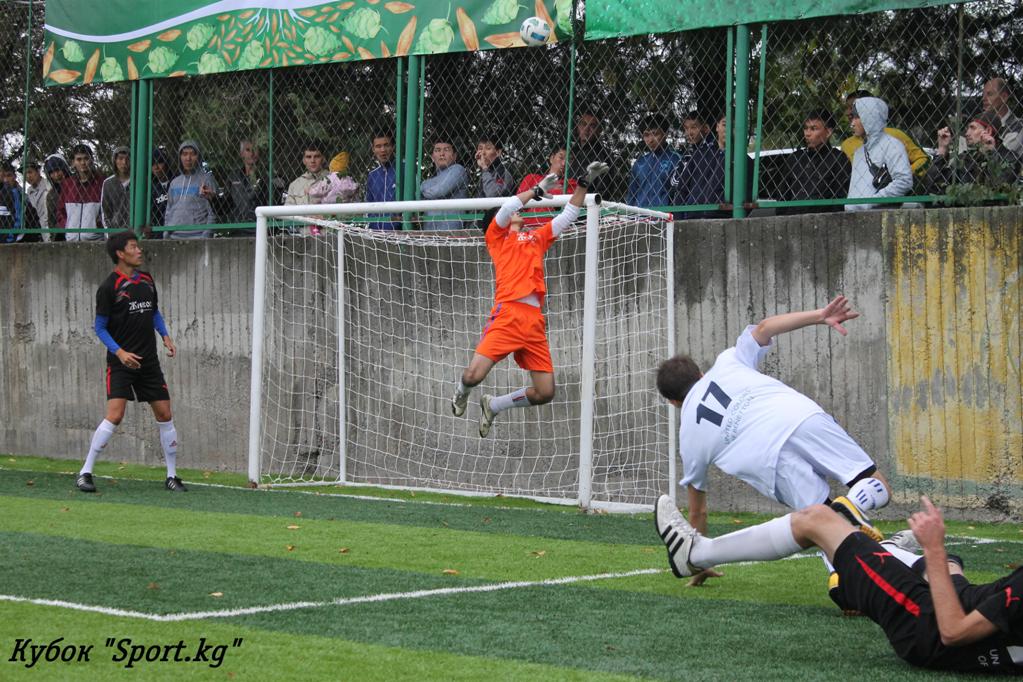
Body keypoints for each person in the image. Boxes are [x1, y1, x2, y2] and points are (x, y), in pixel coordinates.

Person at [654, 495, 1023, 674]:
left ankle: (694, 554)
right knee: (945, 565)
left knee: (817, 520)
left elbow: (953, 632)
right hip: (965, 604)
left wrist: (936, 547)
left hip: (923, 625)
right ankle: (886, 556)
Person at [655, 296, 892, 564]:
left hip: (771, 462)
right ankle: (856, 506)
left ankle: (846, 567)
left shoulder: (688, 436)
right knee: (878, 486)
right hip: (801, 418)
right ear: (700, 374)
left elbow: (698, 512)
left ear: (673, 402)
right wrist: (820, 315)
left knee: (826, 525)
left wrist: (697, 563)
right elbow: (765, 327)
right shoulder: (726, 362)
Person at [451, 161, 610, 438]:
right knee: (472, 377)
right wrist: (535, 190)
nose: (517, 213)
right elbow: (506, 209)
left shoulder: (535, 238)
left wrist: (584, 182)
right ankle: (460, 394)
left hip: (534, 322)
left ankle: (495, 405)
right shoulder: (497, 239)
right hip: (508, 315)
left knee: (546, 391)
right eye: (514, 213)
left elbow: (569, 214)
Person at [76, 230, 185, 494]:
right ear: (120, 254)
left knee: (165, 414)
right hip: (121, 364)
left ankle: (172, 476)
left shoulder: (146, 279)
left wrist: (165, 335)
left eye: (138, 246)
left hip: (148, 363)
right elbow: (99, 327)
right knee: (115, 415)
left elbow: (153, 311)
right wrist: (120, 352)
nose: (139, 251)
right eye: (133, 247)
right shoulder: (108, 287)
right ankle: (85, 472)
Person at [925, 110, 1021, 194]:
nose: (966, 133)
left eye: (972, 128)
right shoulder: (965, 160)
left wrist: (990, 154)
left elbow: (1000, 186)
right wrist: (942, 150)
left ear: (988, 130)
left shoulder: (1011, 158)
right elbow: (933, 188)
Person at [845, 97, 913, 211]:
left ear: (870, 117)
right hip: (853, 218)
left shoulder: (892, 145)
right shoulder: (859, 152)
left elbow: (904, 181)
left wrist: (871, 202)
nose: (852, 124)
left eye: (857, 117)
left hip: (881, 217)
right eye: (852, 118)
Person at [841, 90, 929, 177]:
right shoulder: (846, 145)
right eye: (846, 108)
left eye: (852, 107)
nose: (847, 113)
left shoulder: (895, 135)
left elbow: (924, 160)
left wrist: (901, 175)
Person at [778, 110, 851, 214]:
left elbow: (841, 198)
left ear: (828, 132)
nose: (807, 134)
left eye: (814, 129)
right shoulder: (795, 158)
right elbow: (783, 195)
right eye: (806, 128)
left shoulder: (838, 159)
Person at [670, 111, 726, 219]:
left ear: (706, 128)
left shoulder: (714, 152)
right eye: (686, 128)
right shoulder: (688, 155)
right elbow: (675, 181)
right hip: (689, 209)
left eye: (694, 127)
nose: (689, 133)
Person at [225, 139, 282, 234]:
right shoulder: (233, 176)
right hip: (237, 230)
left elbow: (274, 204)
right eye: (248, 150)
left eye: (254, 149)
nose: (252, 153)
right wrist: (212, 198)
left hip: (261, 229)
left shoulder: (268, 176)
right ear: (241, 153)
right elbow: (225, 205)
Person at [164, 140, 218, 239]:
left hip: (197, 235)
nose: (188, 158)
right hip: (174, 236)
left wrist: (206, 235)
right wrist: (166, 233)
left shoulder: (206, 179)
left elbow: (213, 212)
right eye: (184, 154)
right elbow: (169, 210)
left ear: (199, 156)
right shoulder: (174, 183)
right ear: (180, 157)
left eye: (192, 154)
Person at [627, 114, 681, 209]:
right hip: (640, 216)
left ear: (665, 134)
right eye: (646, 135)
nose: (650, 140)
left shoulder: (675, 159)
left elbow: (679, 193)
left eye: (655, 134)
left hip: (664, 215)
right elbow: (632, 194)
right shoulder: (640, 163)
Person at [568, 109, 623, 199]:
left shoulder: (604, 154)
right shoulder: (571, 152)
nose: (586, 129)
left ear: (599, 130)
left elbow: (604, 190)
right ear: (578, 127)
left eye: (592, 126)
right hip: (565, 199)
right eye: (584, 124)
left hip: (588, 203)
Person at [515, 147, 577, 226]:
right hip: (525, 226)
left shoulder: (571, 184)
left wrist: (538, 192)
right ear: (551, 158)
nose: (564, 163)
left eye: (570, 160)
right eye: (561, 158)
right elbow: (518, 204)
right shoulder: (531, 178)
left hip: (550, 229)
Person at [57, 144, 104, 241]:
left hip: (96, 239)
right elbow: (60, 210)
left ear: (92, 160)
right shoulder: (67, 184)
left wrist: (98, 226)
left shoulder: (101, 183)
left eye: (86, 158)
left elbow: (108, 210)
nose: (83, 162)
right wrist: (68, 227)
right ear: (73, 162)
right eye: (79, 159)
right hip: (71, 240)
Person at [419, 136, 467, 230]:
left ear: (454, 156)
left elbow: (439, 191)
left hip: (452, 233)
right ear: (432, 157)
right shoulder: (431, 180)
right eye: (437, 150)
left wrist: (422, 188)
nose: (442, 154)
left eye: (446, 150)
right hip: (429, 234)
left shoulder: (458, 170)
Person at [365, 131, 399, 230]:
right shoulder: (372, 175)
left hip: (400, 233)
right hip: (376, 234)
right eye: (378, 146)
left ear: (393, 147)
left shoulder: (405, 169)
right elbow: (369, 207)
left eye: (386, 145)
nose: (383, 150)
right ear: (373, 149)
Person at [0, 162, 41, 243]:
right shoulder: (3, 194)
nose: (6, 180)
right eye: (3, 176)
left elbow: (20, 219)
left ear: (14, 176)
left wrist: (11, 237)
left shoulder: (21, 195)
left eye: (9, 175)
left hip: (16, 238)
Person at [981, 77, 1022, 154]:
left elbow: (1004, 157)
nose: (983, 99)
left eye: (989, 94)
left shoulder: (1018, 126)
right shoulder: (979, 123)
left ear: (1004, 97)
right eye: (983, 95)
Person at [286, 142, 330, 207]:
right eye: (308, 157)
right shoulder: (294, 185)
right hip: (301, 217)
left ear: (323, 159)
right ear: (304, 160)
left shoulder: (334, 179)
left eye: (317, 156)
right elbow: (288, 212)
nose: (312, 161)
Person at [475, 134, 515, 199]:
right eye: (480, 148)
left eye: (488, 148)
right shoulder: (487, 171)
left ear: (498, 152)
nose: (483, 153)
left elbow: (493, 194)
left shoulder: (503, 170)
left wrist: (484, 168)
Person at [100, 146, 131, 230]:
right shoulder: (108, 183)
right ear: (115, 160)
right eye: (120, 159)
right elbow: (105, 211)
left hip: (135, 231)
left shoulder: (138, 181)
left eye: (127, 159)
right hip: (115, 231)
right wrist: (109, 232)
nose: (124, 162)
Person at [43, 154, 71, 241]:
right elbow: (51, 221)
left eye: (58, 170)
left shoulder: (77, 187)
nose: (56, 175)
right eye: (51, 172)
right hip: (60, 236)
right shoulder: (51, 195)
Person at [149, 147, 174, 234]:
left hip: (177, 229)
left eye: (159, 162)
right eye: (152, 163)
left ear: (166, 163)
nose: (156, 167)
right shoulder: (150, 188)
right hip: (158, 232)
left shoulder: (177, 182)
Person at [23, 162, 51, 238]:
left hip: (50, 223)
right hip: (40, 227)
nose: (28, 176)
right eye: (25, 174)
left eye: (30, 172)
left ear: (38, 171)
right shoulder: (29, 191)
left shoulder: (48, 185)